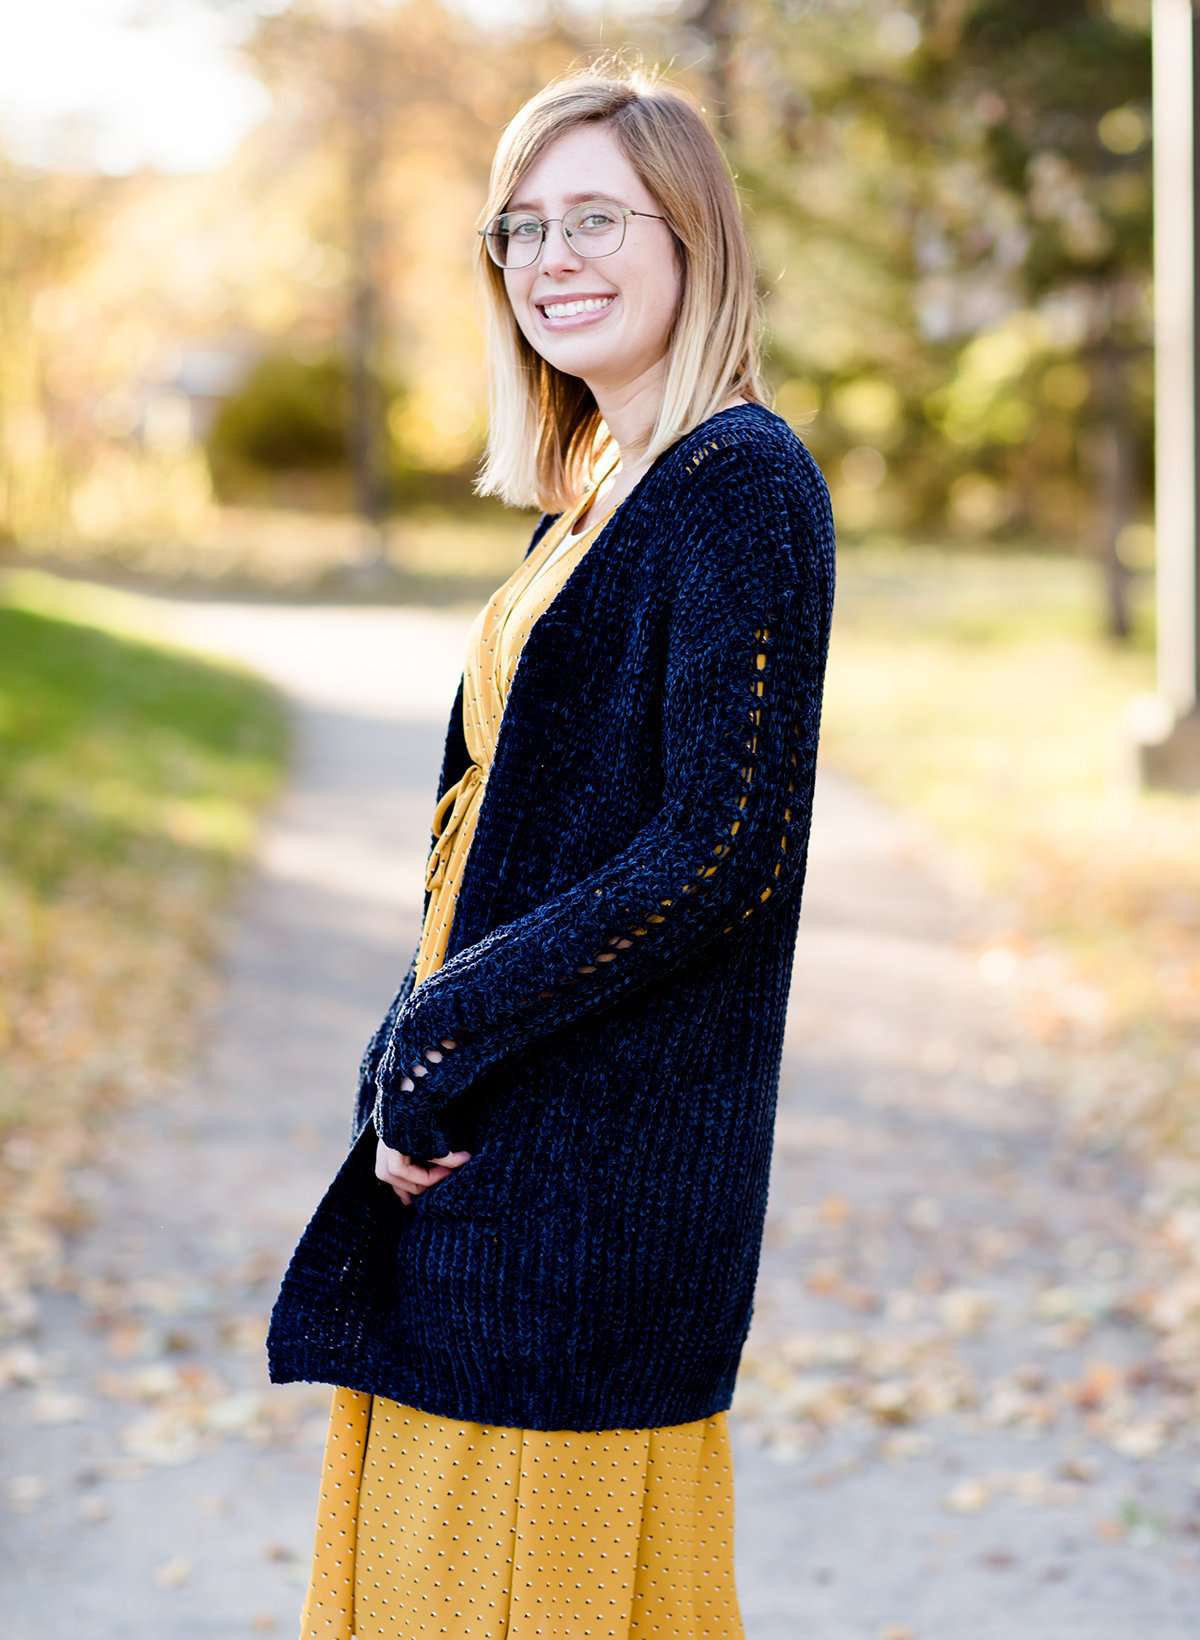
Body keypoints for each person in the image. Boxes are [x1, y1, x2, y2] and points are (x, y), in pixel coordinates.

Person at [267, 56, 837, 1640]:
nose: (552, 259)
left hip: (599, 1166)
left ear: (692, 241)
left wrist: (441, 1033)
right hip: (484, 1131)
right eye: (521, 228)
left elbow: (719, 845)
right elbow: (493, 835)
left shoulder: (742, 484)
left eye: (599, 218)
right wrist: (410, 1053)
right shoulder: (593, 490)